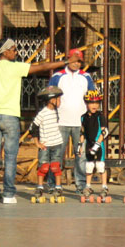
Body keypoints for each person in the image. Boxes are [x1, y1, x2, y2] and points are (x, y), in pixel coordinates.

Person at [0, 37, 65, 205]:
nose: (16, 52)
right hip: (11, 117)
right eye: (14, 49)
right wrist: (64, 62)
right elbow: (43, 67)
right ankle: (8, 194)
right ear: (5, 52)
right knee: (10, 157)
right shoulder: (16, 67)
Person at [48, 48, 96, 193]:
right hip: (61, 121)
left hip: (80, 123)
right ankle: (52, 184)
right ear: (68, 59)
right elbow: (49, 96)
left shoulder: (86, 77)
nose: (76, 64)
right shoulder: (57, 76)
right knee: (57, 154)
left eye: (79, 61)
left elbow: (92, 96)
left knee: (81, 155)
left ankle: (80, 185)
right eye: (74, 60)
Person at [31, 86, 65, 201]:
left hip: (57, 143)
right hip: (45, 145)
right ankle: (40, 187)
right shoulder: (43, 113)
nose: (60, 102)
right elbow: (33, 127)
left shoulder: (57, 112)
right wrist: (37, 142)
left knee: (56, 166)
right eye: (58, 99)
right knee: (43, 167)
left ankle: (58, 187)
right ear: (51, 100)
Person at [80, 89, 109, 202]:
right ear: (86, 103)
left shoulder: (100, 116)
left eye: (97, 103)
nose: (94, 105)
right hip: (88, 144)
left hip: (98, 144)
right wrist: (80, 145)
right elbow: (82, 132)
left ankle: (104, 187)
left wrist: (97, 144)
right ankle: (88, 186)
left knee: (100, 166)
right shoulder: (83, 117)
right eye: (91, 103)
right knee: (89, 166)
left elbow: (105, 131)